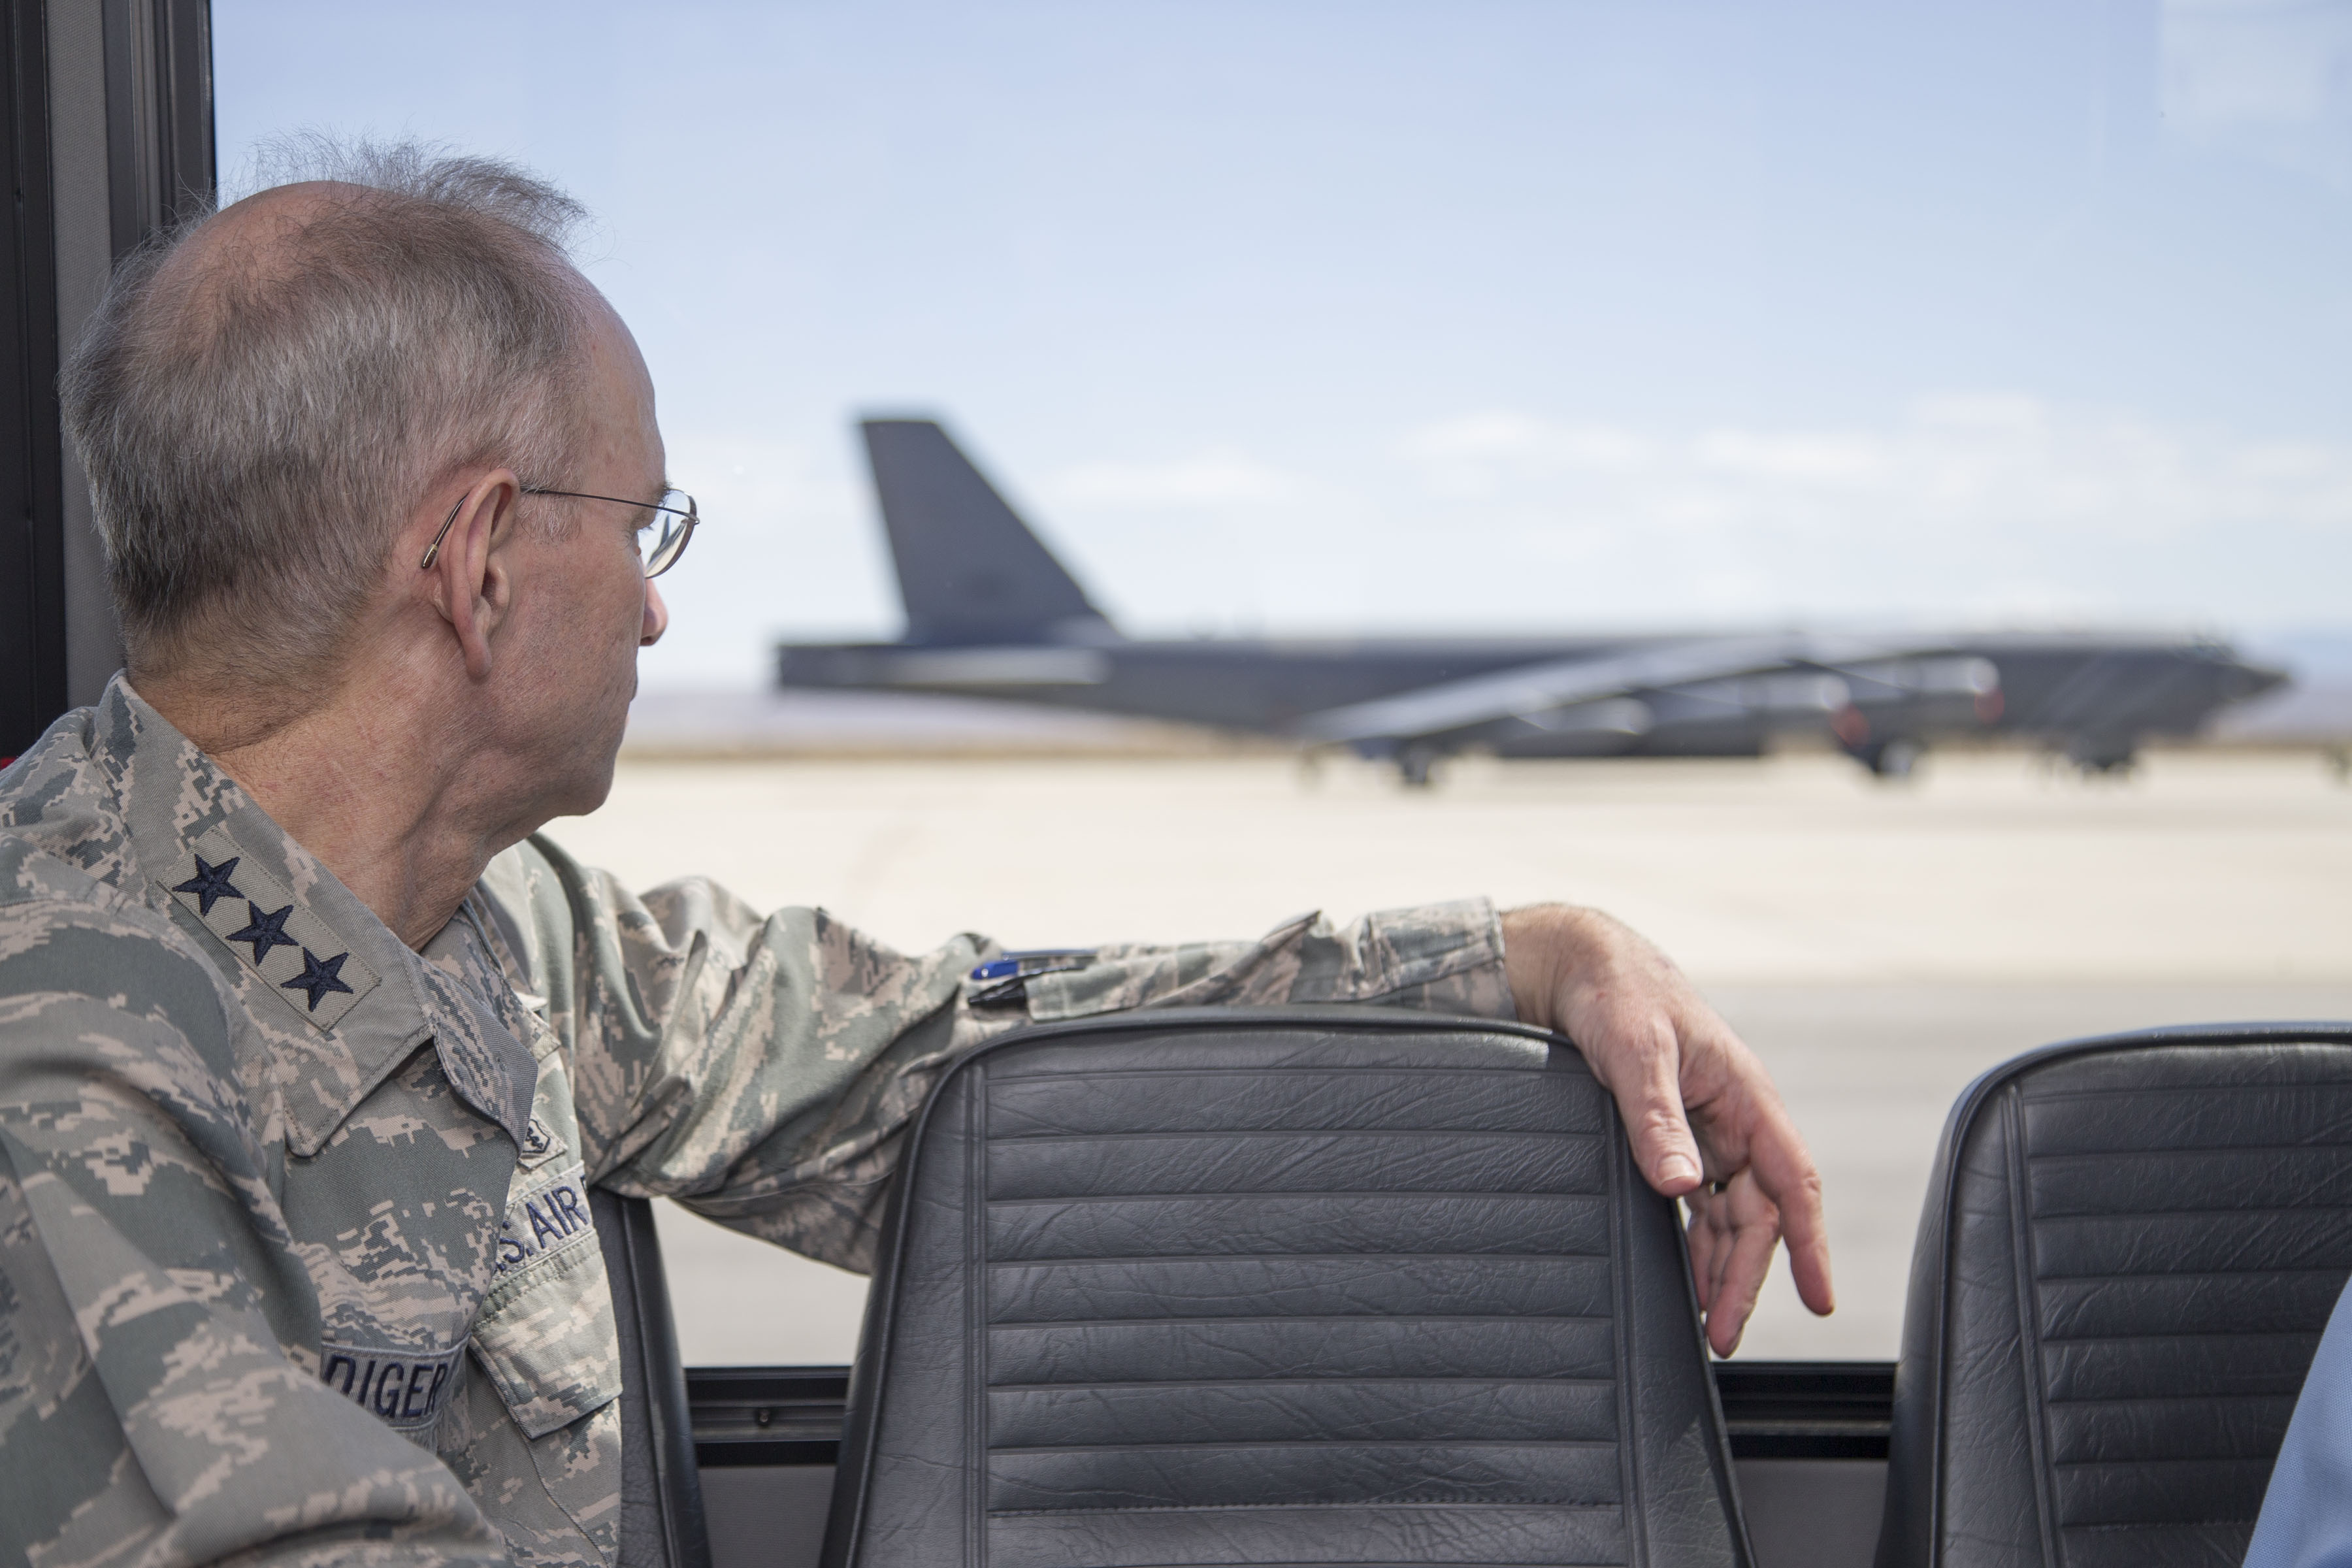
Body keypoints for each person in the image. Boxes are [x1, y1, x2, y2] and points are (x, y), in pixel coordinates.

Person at [0, 142, 1831, 1568]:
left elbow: (957, 1057)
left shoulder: (497, 935)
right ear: (479, 564)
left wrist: (1516, 957)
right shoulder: (59, 1060)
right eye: (644, 528)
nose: (651, 610)